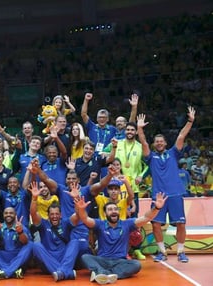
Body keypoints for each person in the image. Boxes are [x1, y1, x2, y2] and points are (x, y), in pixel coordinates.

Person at [137, 106, 195, 263]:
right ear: (154, 144)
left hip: (175, 193)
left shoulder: (173, 153)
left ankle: (181, 252)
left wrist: (190, 121)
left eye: (161, 141)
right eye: (157, 142)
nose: (159, 143)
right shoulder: (150, 157)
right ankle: (162, 252)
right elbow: (143, 141)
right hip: (158, 196)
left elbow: (182, 135)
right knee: (156, 224)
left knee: (181, 224)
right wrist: (140, 129)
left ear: (165, 143)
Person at [76, 192, 167, 284]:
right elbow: (85, 219)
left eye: (115, 209)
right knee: (85, 257)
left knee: (136, 265)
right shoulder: (100, 224)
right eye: (110, 209)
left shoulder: (127, 224)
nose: (113, 211)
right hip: (102, 260)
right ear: (105, 213)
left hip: (120, 261)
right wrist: (81, 210)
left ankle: (102, 274)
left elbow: (146, 217)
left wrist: (157, 208)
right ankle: (109, 274)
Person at [29, 182, 78, 281]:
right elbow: (33, 214)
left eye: (57, 214)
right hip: (48, 262)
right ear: (48, 216)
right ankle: (65, 272)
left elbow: (78, 215)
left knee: (75, 242)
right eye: (52, 214)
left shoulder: (66, 223)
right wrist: (34, 199)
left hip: (63, 258)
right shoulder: (43, 224)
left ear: (61, 215)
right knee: (36, 245)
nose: (54, 216)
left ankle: (61, 272)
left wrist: (76, 199)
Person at [0, 207, 33, 280]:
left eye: (11, 213)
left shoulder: (21, 226)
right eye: (6, 213)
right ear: (3, 215)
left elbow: (25, 242)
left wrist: (20, 232)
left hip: (17, 257)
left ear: (15, 215)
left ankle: (5, 272)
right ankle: (12, 271)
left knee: (30, 244)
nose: (8, 215)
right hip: (3, 257)